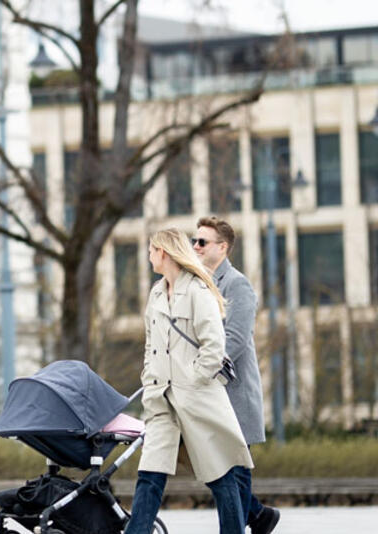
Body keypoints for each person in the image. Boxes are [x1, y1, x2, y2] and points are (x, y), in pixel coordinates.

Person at [125, 228, 254, 534]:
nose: (149, 256)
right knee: (150, 474)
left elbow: (214, 346)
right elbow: (150, 344)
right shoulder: (156, 294)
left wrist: (193, 379)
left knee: (220, 475)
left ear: (163, 252)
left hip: (197, 399)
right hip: (161, 399)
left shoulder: (198, 291)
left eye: (151, 250)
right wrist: (150, 378)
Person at [193, 217, 280, 534]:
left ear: (223, 247)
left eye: (202, 242)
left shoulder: (237, 284)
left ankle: (247, 520)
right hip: (207, 392)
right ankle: (257, 515)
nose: (196, 246)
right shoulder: (198, 283)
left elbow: (237, 339)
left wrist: (203, 371)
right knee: (218, 469)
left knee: (235, 468)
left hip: (233, 391)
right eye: (194, 241)